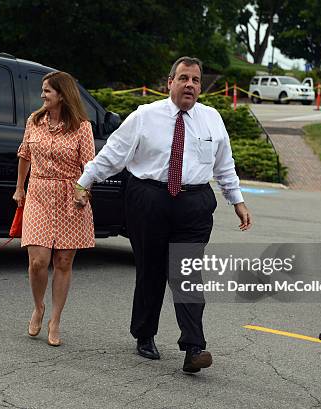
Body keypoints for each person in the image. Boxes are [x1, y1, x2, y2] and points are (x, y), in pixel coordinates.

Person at [73, 57, 252, 373]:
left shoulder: (212, 119)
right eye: (183, 78)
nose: (190, 85)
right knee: (151, 270)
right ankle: (144, 333)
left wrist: (236, 200)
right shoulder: (145, 116)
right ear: (170, 82)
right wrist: (85, 181)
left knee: (187, 274)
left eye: (195, 80)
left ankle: (194, 347)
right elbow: (115, 153)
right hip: (149, 198)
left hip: (194, 203)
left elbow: (224, 164)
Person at [13, 71, 95, 347]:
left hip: (70, 197)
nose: (42, 95)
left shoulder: (82, 126)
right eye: (43, 90)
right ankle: (39, 307)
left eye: (47, 90)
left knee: (63, 262)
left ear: (62, 94)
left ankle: (56, 319)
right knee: (38, 261)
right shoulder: (34, 122)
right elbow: (25, 155)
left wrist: (83, 192)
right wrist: (19, 188)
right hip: (38, 193)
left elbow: (90, 166)